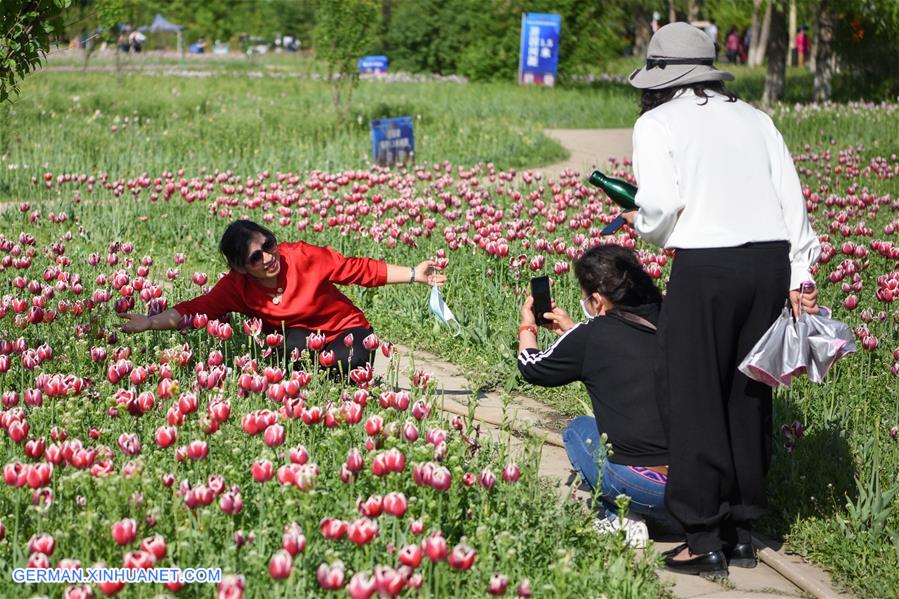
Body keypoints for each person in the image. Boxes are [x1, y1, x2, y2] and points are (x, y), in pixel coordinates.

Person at [626, 22, 820, 577]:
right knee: (748, 392)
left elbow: (660, 210)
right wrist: (799, 274)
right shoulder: (756, 118)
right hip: (768, 263)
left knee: (694, 395)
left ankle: (702, 534)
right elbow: (793, 202)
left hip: (707, 267)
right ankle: (743, 527)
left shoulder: (657, 123)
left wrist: (643, 224)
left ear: (659, 77)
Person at [118, 220, 446, 375]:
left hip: (345, 330)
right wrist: (148, 322)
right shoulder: (236, 287)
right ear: (239, 267)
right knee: (290, 349)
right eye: (255, 257)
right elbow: (193, 310)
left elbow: (357, 270)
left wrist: (415, 274)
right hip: (299, 337)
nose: (268, 257)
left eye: (269, 245)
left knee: (348, 363)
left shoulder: (303, 257)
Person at [517, 244, 676, 548]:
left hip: (644, 485)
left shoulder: (591, 337)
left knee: (579, 430)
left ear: (599, 300)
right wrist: (572, 330)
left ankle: (621, 518)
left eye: (587, 297)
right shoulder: (670, 321)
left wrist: (528, 325)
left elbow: (532, 368)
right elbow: (623, 352)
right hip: (697, 484)